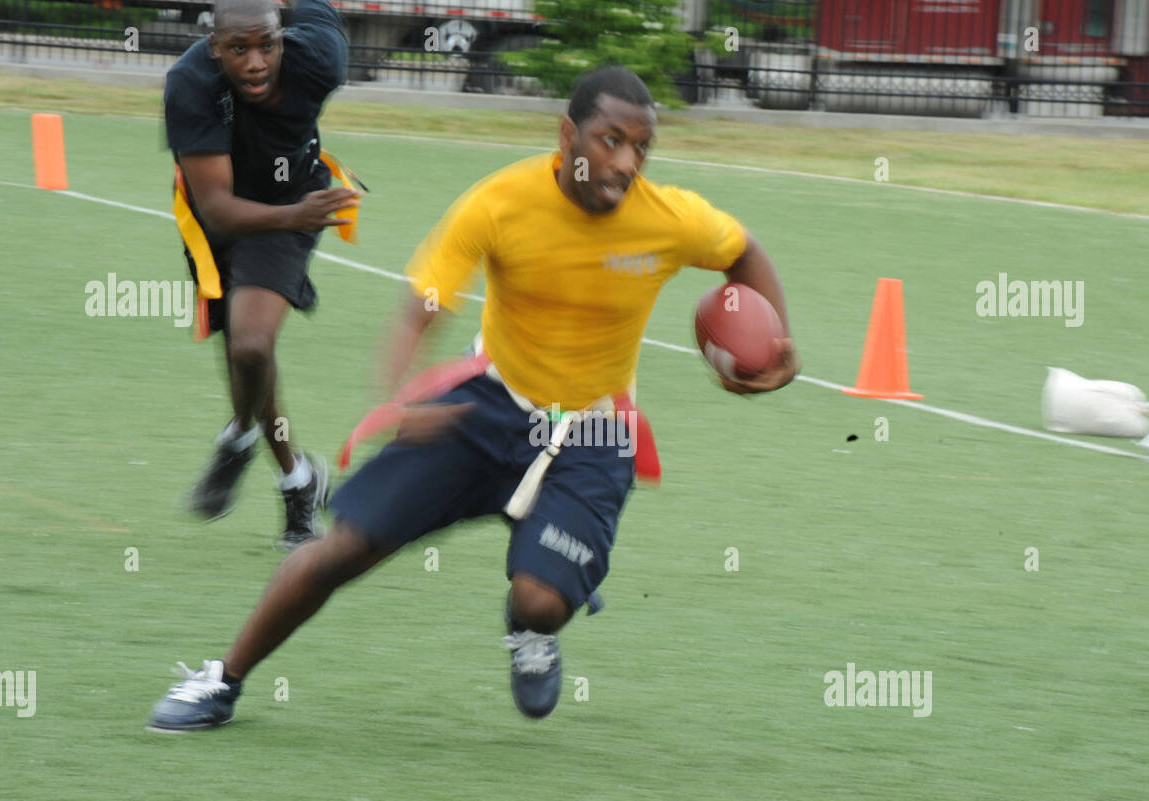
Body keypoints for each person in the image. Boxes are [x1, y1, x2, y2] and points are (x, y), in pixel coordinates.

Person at [148, 65, 796, 732]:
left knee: (542, 599)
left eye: (641, 148)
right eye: (610, 140)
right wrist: (401, 396)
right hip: (486, 405)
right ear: (568, 135)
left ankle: (529, 627)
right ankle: (221, 680)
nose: (627, 162)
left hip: (595, 430)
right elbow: (420, 307)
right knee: (344, 547)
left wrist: (779, 344)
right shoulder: (500, 202)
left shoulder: (670, 220)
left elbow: (743, 251)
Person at [164, 0, 359, 548]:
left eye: (267, 46)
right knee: (242, 354)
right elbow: (220, 206)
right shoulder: (191, 84)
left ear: (283, 35)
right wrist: (297, 215)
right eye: (238, 49)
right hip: (219, 216)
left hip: (294, 199)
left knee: (251, 345)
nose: (255, 63)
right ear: (214, 45)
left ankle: (239, 436)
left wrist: (298, 214)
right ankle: (298, 482)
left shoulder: (320, 56)